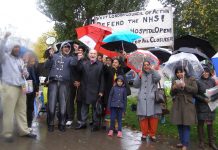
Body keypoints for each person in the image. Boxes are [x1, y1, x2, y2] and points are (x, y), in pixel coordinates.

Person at [0, 32, 37, 142]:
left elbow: (26, 73)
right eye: (15, 47)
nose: (17, 49)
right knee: (8, 112)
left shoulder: (20, 60)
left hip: (21, 87)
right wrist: (5, 38)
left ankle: (24, 131)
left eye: (18, 47)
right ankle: (7, 134)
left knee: (21, 110)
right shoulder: (5, 57)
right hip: (10, 87)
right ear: (11, 48)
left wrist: (25, 73)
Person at [44, 41, 77, 132]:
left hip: (64, 84)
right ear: (61, 48)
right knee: (51, 104)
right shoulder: (54, 56)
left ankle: (62, 124)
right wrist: (50, 57)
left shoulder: (71, 58)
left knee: (63, 104)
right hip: (53, 82)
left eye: (68, 47)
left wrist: (75, 52)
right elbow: (46, 66)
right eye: (65, 47)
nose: (67, 48)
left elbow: (74, 64)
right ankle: (50, 123)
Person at [75, 49, 104, 131]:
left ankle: (95, 125)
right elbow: (78, 70)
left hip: (95, 90)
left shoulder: (101, 65)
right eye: (91, 53)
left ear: (97, 55)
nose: (92, 55)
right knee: (84, 107)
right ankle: (83, 123)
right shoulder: (84, 63)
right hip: (84, 89)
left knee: (95, 108)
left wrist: (101, 91)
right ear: (88, 54)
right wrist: (79, 60)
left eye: (94, 53)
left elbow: (102, 80)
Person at [170, 66, 198, 150]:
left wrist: (185, 86)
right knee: (179, 123)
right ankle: (182, 141)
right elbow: (171, 93)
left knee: (186, 124)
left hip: (187, 104)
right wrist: (174, 88)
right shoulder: (175, 81)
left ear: (185, 72)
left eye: (181, 72)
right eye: (177, 72)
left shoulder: (191, 79)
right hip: (177, 104)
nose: (179, 74)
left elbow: (195, 90)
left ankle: (185, 144)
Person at [133, 60, 161, 142]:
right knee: (143, 118)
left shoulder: (153, 73)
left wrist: (153, 70)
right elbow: (135, 85)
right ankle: (144, 134)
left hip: (152, 99)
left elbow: (158, 78)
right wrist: (139, 76)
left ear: (150, 65)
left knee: (153, 118)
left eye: (147, 65)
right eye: (144, 65)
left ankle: (152, 134)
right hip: (142, 99)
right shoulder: (140, 73)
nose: (146, 66)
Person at [195, 65, 218, 150]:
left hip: (211, 106)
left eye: (207, 72)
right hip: (201, 106)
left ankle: (211, 142)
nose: (205, 73)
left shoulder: (212, 81)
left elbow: (217, 92)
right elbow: (195, 94)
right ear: (201, 72)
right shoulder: (198, 81)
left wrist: (211, 99)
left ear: (209, 73)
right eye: (204, 72)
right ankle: (201, 142)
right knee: (200, 124)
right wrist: (204, 99)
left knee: (210, 124)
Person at [66, 45, 86, 127]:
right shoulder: (73, 58)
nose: (80, 51)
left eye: (81, 50)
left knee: (79, 101)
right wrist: (74, 81)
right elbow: (71, 68)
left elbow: (85, 72)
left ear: (83, 52)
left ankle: (79, 118)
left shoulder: (85, 60)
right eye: (79, 50)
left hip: (81, 83)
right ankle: (70, 118)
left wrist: (80, 82)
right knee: (70, 101)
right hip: (72, 82)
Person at [24, 53, 40, 129]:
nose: (33, 59)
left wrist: (37, 89)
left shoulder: (35, 67)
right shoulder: (23, 65)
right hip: (23, 87)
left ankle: (29, 124)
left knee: (30, 106)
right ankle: (25, 124)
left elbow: (37, 78)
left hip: (32, 88)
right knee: (24, 106)